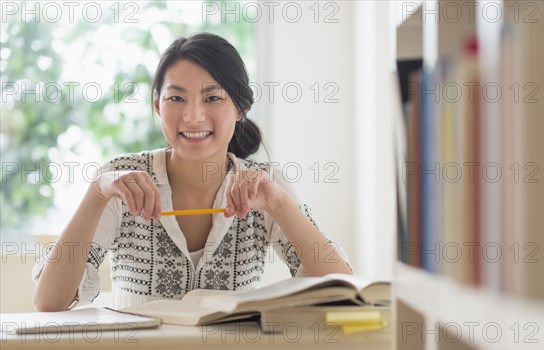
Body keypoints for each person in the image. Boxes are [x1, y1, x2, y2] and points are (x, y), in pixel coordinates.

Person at [32, 32, 352, 311]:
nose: (193, 116)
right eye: (176, 98)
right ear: (158, 106)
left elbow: (341, 289)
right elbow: (50, 302)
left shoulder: (265, 186)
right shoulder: (120, 180)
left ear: (240, 108)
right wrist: (97, 192)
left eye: (212, 98)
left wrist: (280, 204)